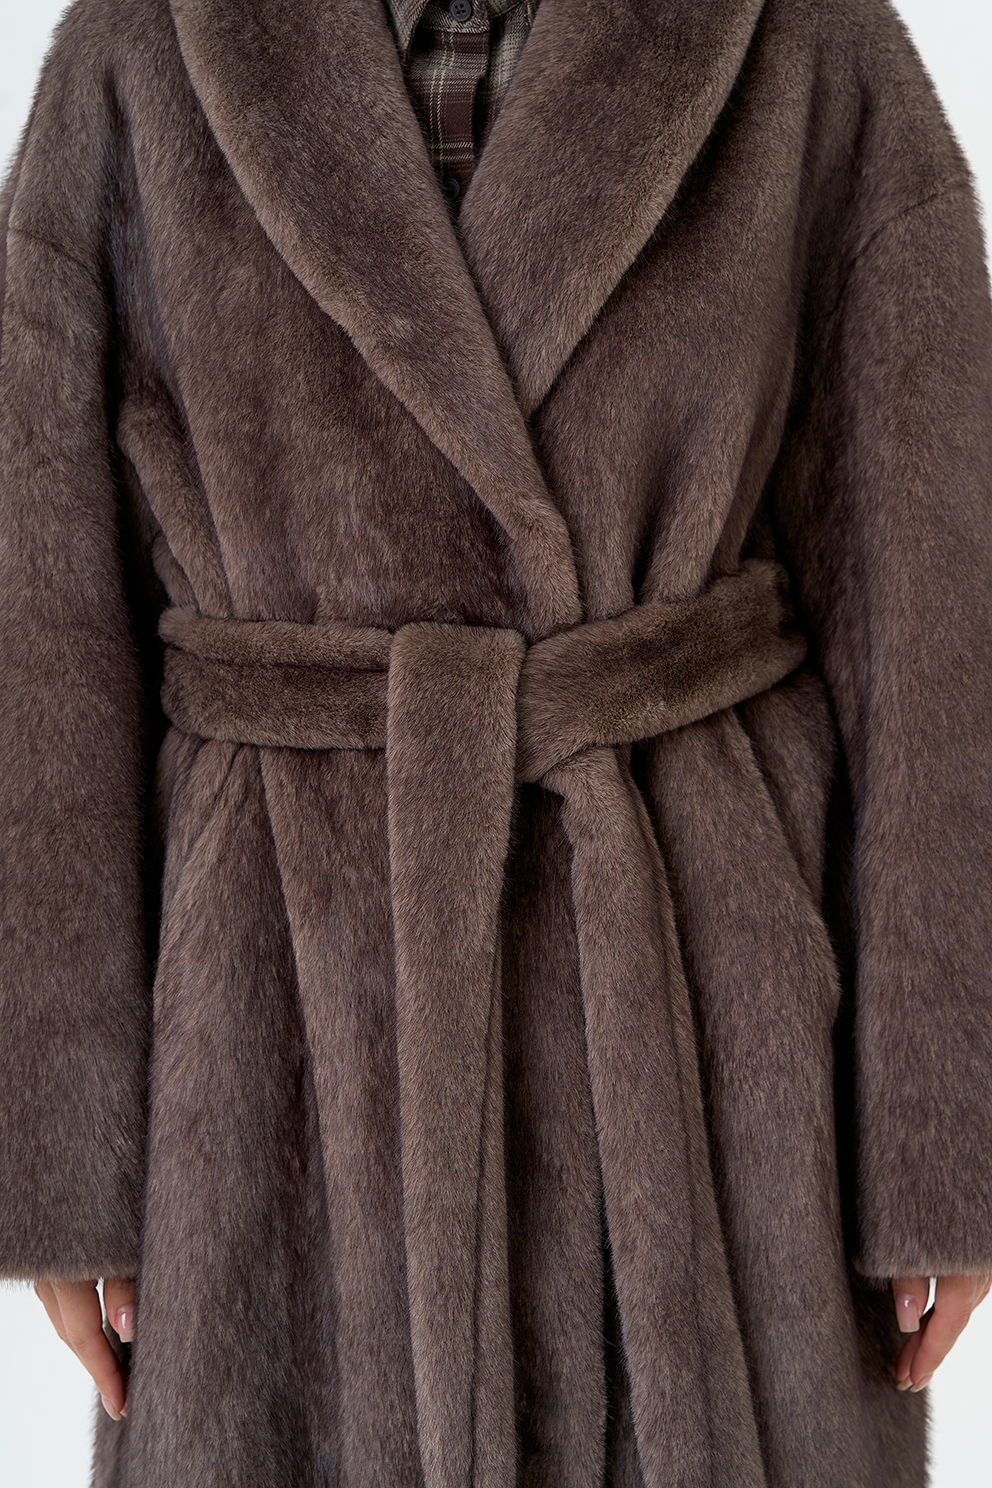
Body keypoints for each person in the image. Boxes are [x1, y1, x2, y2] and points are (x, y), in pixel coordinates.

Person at [1, 0, 990, 1484]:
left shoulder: (812, 47)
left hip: (697, 1000)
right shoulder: (140, 52)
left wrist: (945, 1139)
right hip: (275, 1013)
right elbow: (40, 618)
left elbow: (938, 612)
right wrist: (61, 1154)